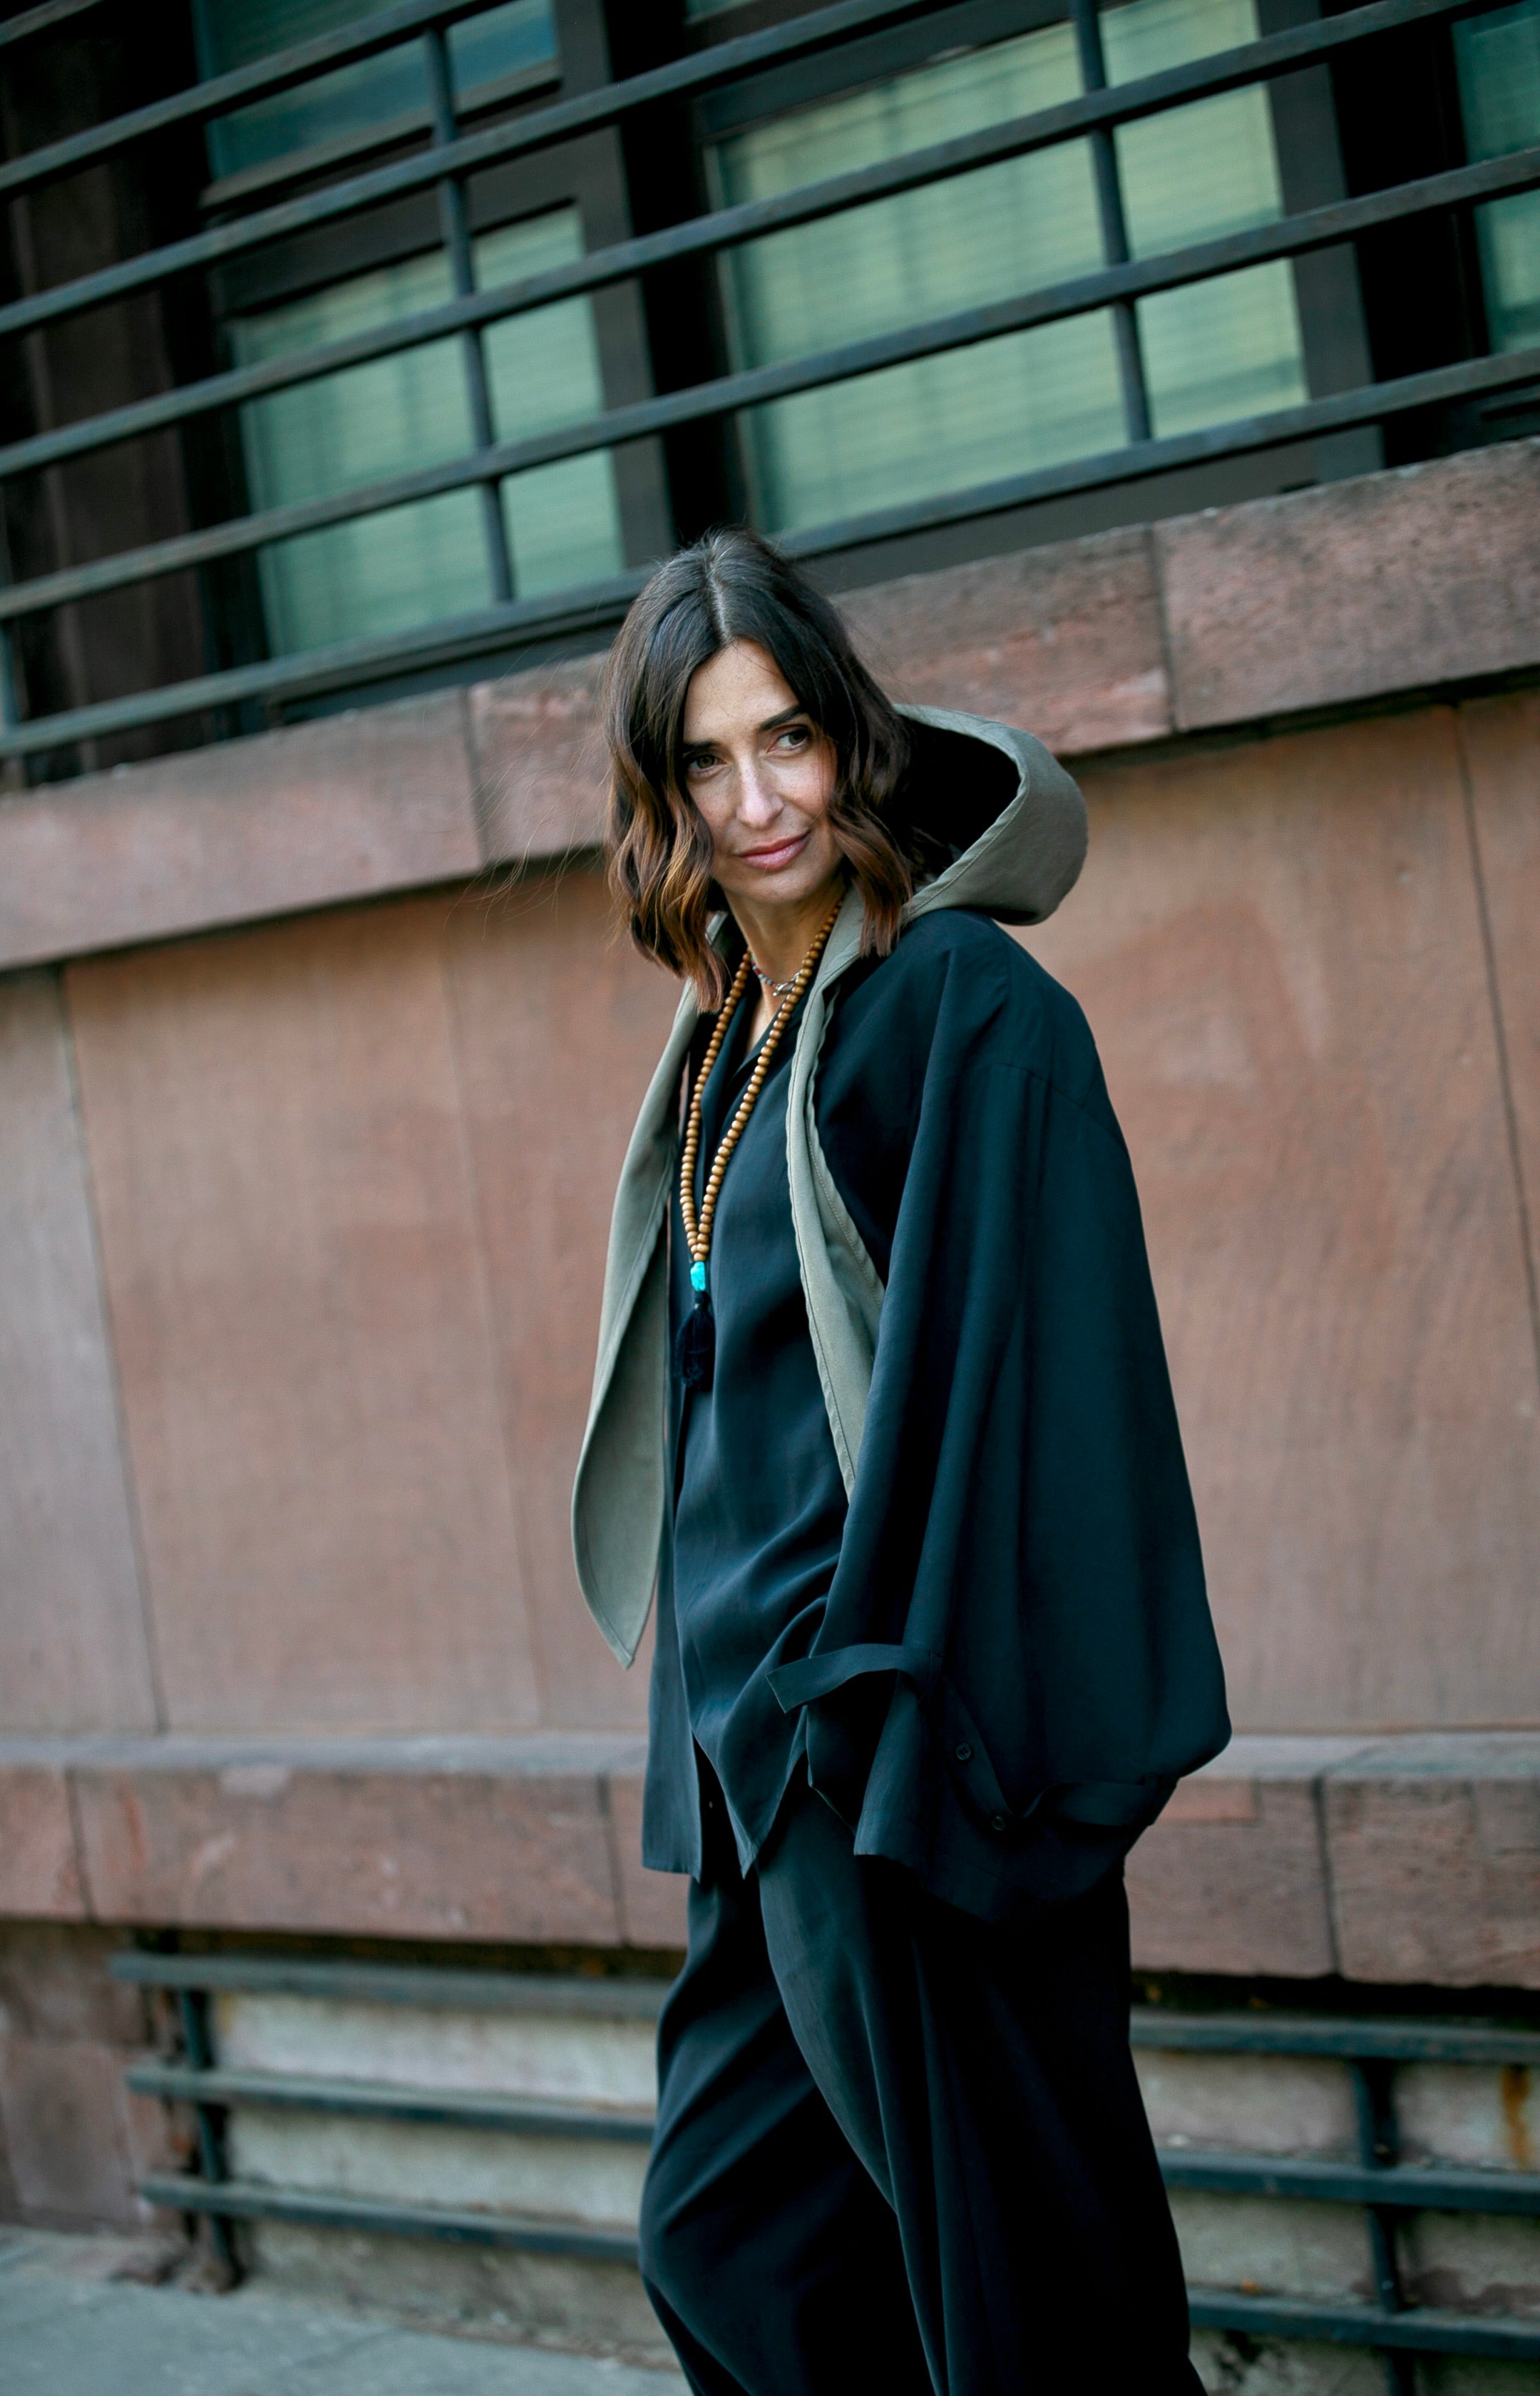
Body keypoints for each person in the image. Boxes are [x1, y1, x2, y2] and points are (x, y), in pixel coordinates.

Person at [572, 527, 1229, 2396]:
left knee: (1019, 2285)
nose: (758, 801)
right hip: (753, 1764)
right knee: (735, 2240)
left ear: (849, 735)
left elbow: (1042, 1405)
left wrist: (902, 1732)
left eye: (785, 738)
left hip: (892, 1757)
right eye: (706, 760)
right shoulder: (725, 1041)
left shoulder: (963, 1009)